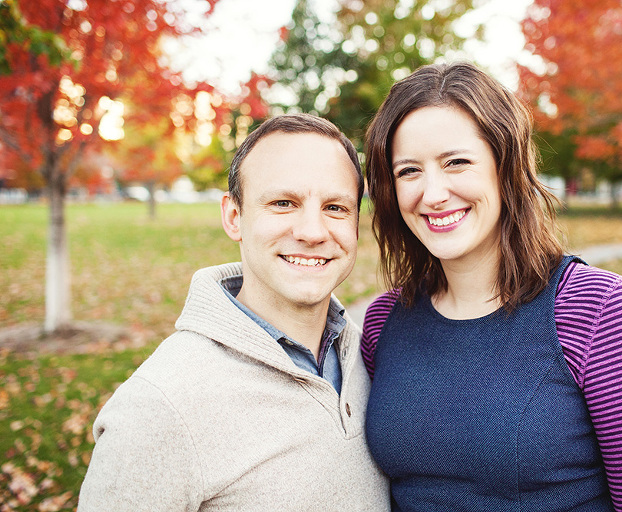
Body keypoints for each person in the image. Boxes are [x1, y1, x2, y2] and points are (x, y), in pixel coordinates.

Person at [361, 62, 622, 512]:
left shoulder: (599, 312)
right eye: (409, 171)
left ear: (506, 168)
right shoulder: (384, 322)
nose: (433, 192)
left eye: (456, 162)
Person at [78, 114, 389, 511]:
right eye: (283, 203)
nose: (313, 231)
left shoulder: (370, 354)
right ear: (233, 217)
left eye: (335, 207)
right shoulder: (159, 407)